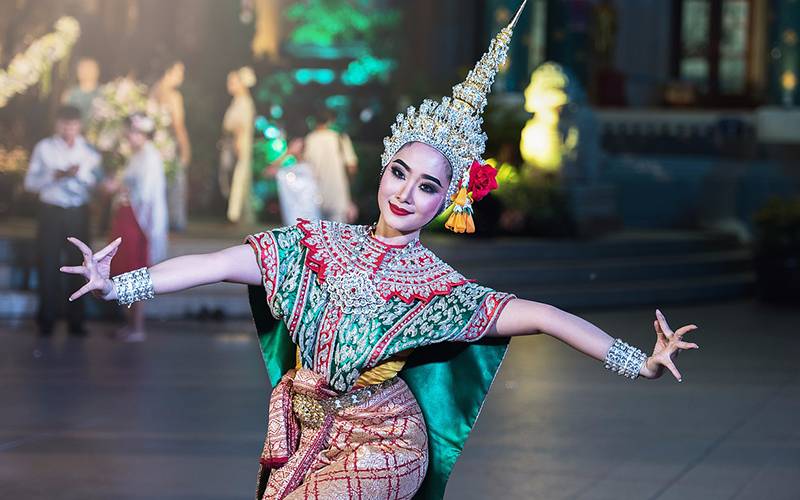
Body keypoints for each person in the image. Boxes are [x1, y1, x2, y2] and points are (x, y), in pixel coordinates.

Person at [60, 4, 700, 498]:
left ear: (445, 202)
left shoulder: (438, 288)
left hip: (386, 440)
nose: (406, 193)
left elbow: (542, 315)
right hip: (306, 428)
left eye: (429, 187)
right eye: (400, 172)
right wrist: (123, 286)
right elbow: (216, 265)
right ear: (382, 169)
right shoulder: (313, 245)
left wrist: (638, 364)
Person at [25, 105, 100, 337]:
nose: (69, 129)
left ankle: (76, 321)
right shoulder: (44, 148)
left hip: (77, 212)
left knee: (80, 265)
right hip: (51, 211)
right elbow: (29, 183)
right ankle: (46, 320)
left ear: (79, 125)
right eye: (65, 124)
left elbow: (97, 184)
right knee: (48, 263)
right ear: (58, 124)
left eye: (73, 124)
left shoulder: (89, 152)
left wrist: (79, 175)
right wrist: (52, 176)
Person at [102, 113, 168, 342]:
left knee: (135, 269)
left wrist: (120, 188)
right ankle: (129, 324)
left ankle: (137, 326)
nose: (128, 136)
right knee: (124, 268)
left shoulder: (150, 156)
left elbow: (147, 193)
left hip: (137, 219)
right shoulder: (137, 155)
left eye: (131, 132)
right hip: (127, 215)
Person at [151, 61, 191, 231]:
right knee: (175, 186)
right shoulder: (174, 96)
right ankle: (174, 225)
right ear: (168, 72)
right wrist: (186, 149)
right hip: (167, 146)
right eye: (179, 72)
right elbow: (178, 125)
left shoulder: (152, 91)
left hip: (152, 147)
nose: (181, 77)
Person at [302, 106, 358, 223]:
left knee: (316, 235)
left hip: (314, 196)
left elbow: (304, 167)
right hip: (338, 196)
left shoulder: (309, 139)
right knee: (337, 236)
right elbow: (352, 167)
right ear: (332, 120)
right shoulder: (340, 138)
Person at [220, 66, 257, 224]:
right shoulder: (237, 101)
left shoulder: (244, 102)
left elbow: (242, 126)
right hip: (232, 143)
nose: (230, 85)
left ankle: (234, 215)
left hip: (239, 143)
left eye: (233, 82)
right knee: (234, 178)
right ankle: (237, 214)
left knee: (238, 178)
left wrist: (238, 144)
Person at [62, 57, 101, 127]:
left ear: (97, 71)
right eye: (82, 68)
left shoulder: (104, 93)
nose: (86, 72)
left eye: (90, 68)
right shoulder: (70, 94)